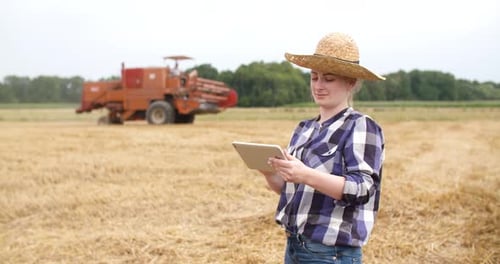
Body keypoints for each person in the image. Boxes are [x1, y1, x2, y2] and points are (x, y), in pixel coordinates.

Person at [261, 32, 385, 263]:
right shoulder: (304, 128)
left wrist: (305, 174)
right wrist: (269, 173)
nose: (318, 85)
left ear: (351, 82)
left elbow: (362, 189)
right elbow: (295, 190)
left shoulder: (360, 126)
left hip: (331, 253)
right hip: (295, 245)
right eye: (314, 77)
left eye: (328, 79)